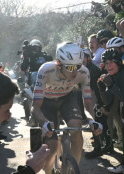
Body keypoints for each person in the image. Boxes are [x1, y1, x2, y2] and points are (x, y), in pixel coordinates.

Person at [31, 42, 103, 174]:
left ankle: (70, 170)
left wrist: (92, 121)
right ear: (59, 64)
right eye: (70, 67)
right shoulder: (46, 70)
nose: (75, 71)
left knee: (77, 130)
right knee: (52, 148)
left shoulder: (84, 72)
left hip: (67, 99)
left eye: (78, 65)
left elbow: (87, 107)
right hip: (46, 102)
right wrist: (44, 123)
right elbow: (35, 107)